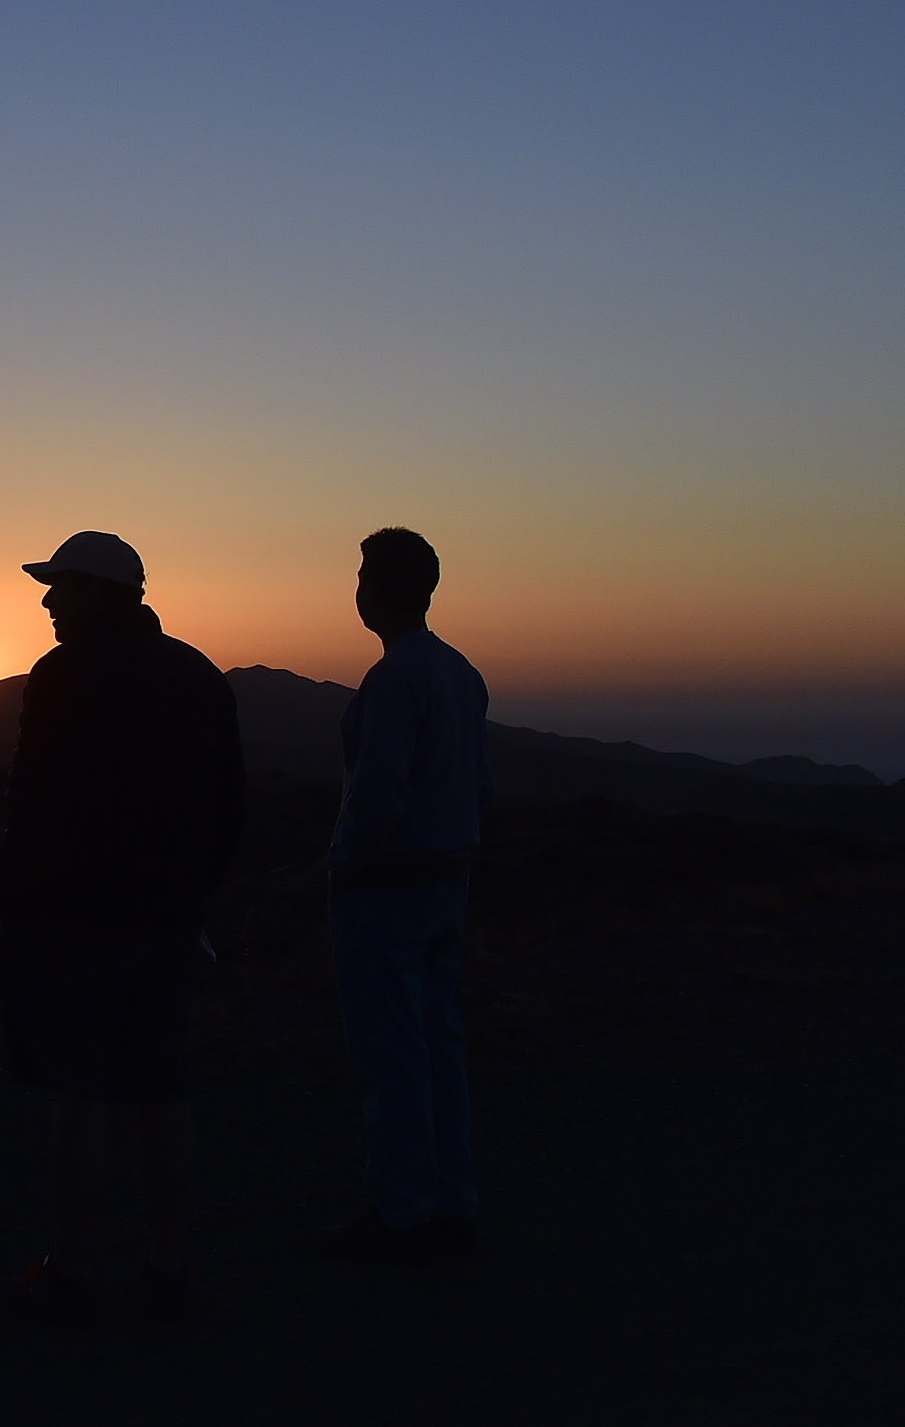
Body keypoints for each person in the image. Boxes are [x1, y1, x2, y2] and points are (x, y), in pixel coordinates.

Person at [0, 530, 244, 1328]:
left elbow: (33, 805)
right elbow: (227, 804)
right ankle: (167, 1264)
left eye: (60, 586)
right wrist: (193, 893)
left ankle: (70, 1271)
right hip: (167, 918)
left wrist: (17, 904)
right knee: (162, 1092)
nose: (47, 600)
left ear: (99, 592)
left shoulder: (62, 676)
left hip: (76, 920)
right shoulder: (200, 675)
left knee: (80, 1095)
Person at [315, 525, 490, 1265]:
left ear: (378, 587)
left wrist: (343, 865)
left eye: (361, 574)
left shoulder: (393, 679)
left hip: (389, 889)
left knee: (392, 1051)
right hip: (448, 879)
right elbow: (472, 782)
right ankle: (452, 1199)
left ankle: (402, 1212)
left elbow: (379, 794)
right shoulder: (461, 672)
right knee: (438, 1042)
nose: (355, 588)